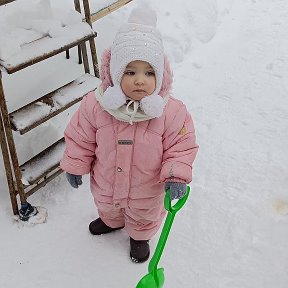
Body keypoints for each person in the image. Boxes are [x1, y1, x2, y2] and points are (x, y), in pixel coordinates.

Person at [60, 6, 199, 263]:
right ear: (114, 73)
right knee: (106, 203)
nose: (139, 80)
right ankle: (111, 222)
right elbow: (80, 136)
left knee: (144, 212)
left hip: (147, 188)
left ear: (160, 75)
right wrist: (75, 163)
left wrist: (176, 175)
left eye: (148, 73)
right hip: (106, 180)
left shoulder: (171, 111)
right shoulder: (97, 104)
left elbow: (181, 146)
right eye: (129, 71)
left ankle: (140, 236)